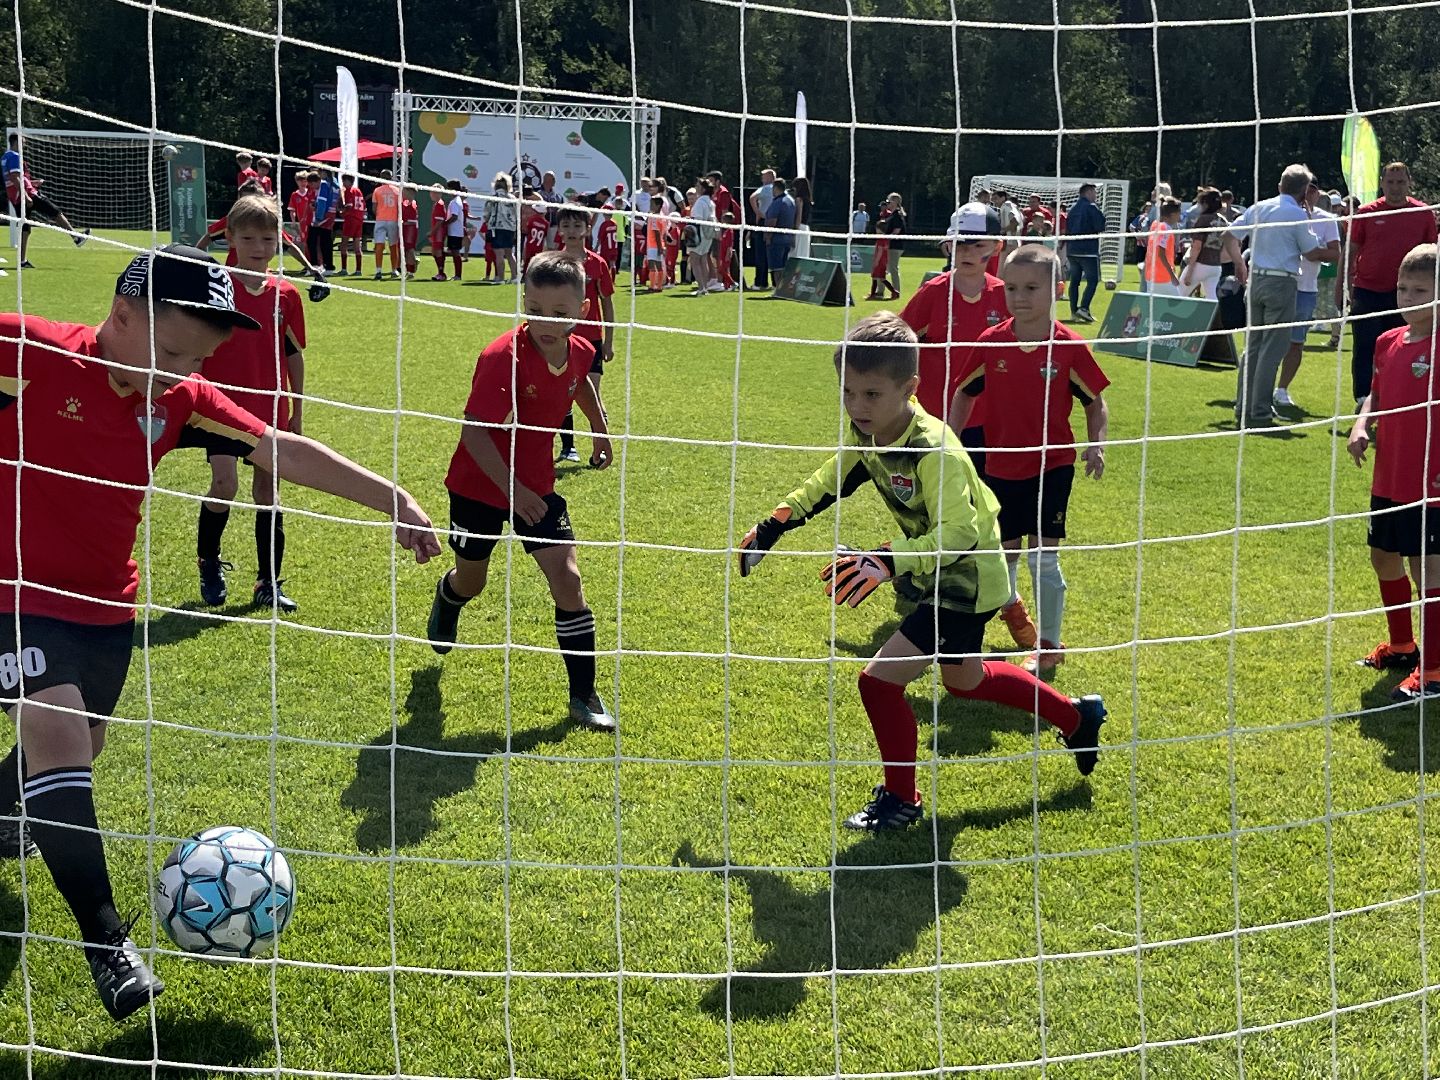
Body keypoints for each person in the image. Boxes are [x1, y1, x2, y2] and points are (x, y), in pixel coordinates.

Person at [0, 243, 440, 1021]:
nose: (178, 372)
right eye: (170, 350)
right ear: (122, 313)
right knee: (61, 732)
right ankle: (108, 948)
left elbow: (280, 448)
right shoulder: (26, 352)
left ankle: (8, 813)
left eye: (195, 358)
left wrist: (393, 496)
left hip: (105, 608)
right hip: (13, 594)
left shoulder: (180, 397)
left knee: (72, 749)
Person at [736, 312, 1107, 831]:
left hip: (965, 578)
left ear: (909, 388)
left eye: (870, 394)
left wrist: (887, 561)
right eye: (847, 392)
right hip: (940, 573)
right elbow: (831, 478)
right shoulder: (869, 433)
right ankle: (1077, 716)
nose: (856, 407)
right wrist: (776, 523)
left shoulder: (934, 450)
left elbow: (957, 535)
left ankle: (901, 800)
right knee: (966, 681)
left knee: (879, 684)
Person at [426, 251, 616, 731]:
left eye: (560, 314)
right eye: (534, 309)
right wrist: (514, 493)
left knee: (568, 581)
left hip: (538, 488)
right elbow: (474, 434)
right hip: (479, 486)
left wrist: (600, 427)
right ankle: (448, 598)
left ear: (582, 311)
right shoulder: (500, 358)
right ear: (523, 301)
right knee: (473, 582)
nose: (546, 322)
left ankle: (584, 696)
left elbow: (579, 385)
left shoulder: (581, 350)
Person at [949, 245, 1110, 676]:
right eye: (1013, 287)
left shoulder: (1070, 348)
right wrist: (951, 442)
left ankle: (1050, 645)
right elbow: (964, 393)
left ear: (1056, 290)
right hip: (999, 466)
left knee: (1044, 558)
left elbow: (1095, 403)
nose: (1020, 297)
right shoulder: (991, 342)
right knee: (1003, 556)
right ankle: (1007, 618)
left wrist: (1097, 444)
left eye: (1032, 288)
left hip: (1052, 464)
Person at [899, 203, 1038, 649]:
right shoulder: (933, 292)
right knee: (930, 509)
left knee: (979, 517)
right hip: (932, 426)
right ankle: (921, 575)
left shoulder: (1007, 294)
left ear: (996, 246)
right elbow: (894, 340)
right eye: (957, 242)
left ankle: (1008, 603)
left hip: (987, 429)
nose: (964, 251)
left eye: (975, 243)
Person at [195, 194, 309, 612]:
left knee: (269, 492)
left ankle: (267, 582)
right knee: (224, 484)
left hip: (270, 408)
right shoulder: (213, 284)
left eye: (267, 238)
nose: (259, 247)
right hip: (219, 407)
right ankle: (208, 561)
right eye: (248, 238)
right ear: (230, 238)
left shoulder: (286, 294)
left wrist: (297, 408)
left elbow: (293, 353)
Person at [1347, 243, 1440, 700]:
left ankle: (1437, 671)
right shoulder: (1388, 341)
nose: (1407, 298)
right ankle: (1403, 647)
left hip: (1431, 481)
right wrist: (1361, 424)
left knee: (1429, 570)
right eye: (1403, 288)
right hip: (1390, 475)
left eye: (1420, 290)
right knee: (1383, 557)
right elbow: (1375, 394)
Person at [1232, 164, 1327, 428]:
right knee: (1272, 349)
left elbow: (1229, 235)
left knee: (1252, 347)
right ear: (1304, 191)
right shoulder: (1296, 214)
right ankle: (1260, 410)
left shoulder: (1259, 207)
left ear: (1280, 186)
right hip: (1282, 282)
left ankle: (1243, 406)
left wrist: (1239, 263)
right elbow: (1311, 252)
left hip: (1256, 279)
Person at [1345, 162, 1439, 404]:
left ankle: (1395, 396)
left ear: (1409, 182)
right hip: (1367, 290)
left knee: (1404, 345)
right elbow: (1350, 252)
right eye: (1390, 182)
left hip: (1408, 294)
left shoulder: (1422, 212)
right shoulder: (1367, 212)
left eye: (1400, 182)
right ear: (1381, 183)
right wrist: (1342, 286)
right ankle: (1362, 399)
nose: (1395, 187)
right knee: (1365, 345)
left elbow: (1433, 252)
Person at [554, 205, 615, 465]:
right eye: (566, 225)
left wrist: (609, 341)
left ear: (587, 229)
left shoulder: (597, 264)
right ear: (559, 229)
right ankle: (568, 448)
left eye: (577, 226)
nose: (571, 231)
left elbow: (608, 303)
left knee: (593, 396)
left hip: (591, 340)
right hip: (562, 338)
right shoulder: (553, 263)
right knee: (561, 394)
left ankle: (598, 448)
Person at [1274, 181, 1341, 413]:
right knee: (1269, 340)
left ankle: (1281, 390)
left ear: (1318, 193)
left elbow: (1336, 253)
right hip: (1279, 285)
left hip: (1306, 288)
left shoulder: (1326, 219)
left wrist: (1313, 252)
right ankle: (1258, 388)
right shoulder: (1280, 213)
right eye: (1304, 189)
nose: (1308, 193)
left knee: (1296, 343)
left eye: (1312, 189)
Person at [3, 132, 89, 268]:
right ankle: (76, 237)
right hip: (27, 195)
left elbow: (16, 178)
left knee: (25, 227)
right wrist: (26, 195)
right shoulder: (14, 156)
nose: (24, 145)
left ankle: (22, 261)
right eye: (22, 142)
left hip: (17, 196)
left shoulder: (5, 157)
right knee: (55, 211)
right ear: (16, 142)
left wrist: (33, 182)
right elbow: (15, 178)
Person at [1180, 188, 1245, 301]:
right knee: (1212, 299)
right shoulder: (1224, 222)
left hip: (1200, 264)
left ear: (1205, 204)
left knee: (1178, 294)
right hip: (1215, 266)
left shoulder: (1203, 220)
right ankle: (1215, 318)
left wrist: (1189, 271)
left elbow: (1197, 247)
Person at [1064, 182, 1107, 322]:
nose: (1095, 195)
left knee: (1074, 281)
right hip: (1088, 250)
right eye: (1094, 192)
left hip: (1072, 250)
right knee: (1093, 280)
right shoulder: (1091, 207)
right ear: (1088, 192)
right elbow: (1100, 225)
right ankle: (1084, 308)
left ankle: (1073, 311)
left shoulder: (1072, 208)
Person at [483, 173, 519, 283]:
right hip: (510, 229)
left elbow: (486, 215)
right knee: (509, 253)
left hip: (497, 228)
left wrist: (487, 221)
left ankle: (500, 278)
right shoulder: (513, 198)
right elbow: (517, 215)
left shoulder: (493, 198)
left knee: (499, 254)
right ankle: (515, 277)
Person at [1143, 197, 1184, 295]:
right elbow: (1160, 253)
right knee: (1178, 306)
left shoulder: (1155, 225)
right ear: (1173, 215)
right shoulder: (1165, 228)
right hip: (1163, 276)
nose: (1180, 216)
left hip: (1151, 274)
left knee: (1156, 307)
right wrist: (1172, 275)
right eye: (1179, 213)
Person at [705, 170, 736, 291]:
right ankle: (714, 279)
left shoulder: (723, 193)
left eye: (711, 181)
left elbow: (724, 212)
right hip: (712, 227)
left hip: (720, 229)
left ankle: (721, 281)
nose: (709, 183)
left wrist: (721, 229)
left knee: (720, 256)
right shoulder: (711, 193)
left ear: (718, 181)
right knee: (712, 254)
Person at [764, 178, 797, 286]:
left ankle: (778, 289)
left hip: (777, 239)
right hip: (788, 238)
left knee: (776, 266)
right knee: (784, 266)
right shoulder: (791, 201)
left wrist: (768, 237)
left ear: (776, 188)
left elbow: (772, 221)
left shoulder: (778, 202)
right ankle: (783, 289)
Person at [747, 168, 777, 289]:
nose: (762, 179)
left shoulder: (765, 188)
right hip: (776, 222)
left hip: (764, 221)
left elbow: (752, 197)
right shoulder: (778, 190)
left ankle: (760, 282)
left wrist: (758, 212)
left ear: (770, 177)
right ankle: (775, 282)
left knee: (761, 253)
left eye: (763, 176)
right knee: (773, 253)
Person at [687, 178, 717, 294]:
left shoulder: (700, 202)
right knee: (703, 259)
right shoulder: (710, 202)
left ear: (703, 188)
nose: (696, 187)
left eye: (698, 186)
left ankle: (701, 287)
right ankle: (704, 287)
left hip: (699, 234)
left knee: (695, 260)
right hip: (708, 234)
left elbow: (698, 219)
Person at [370, 170, 401, 280]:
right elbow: (399, 207)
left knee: (379, 245)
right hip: (393, 220)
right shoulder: (397, 190)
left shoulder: (377, 190)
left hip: (380, 219)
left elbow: (374, 208)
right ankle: (394, 270)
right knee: (393, 246)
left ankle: (378, 270)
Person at [306, 168, 337, 274]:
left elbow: (323, 202)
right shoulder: (330, 184)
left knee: (318, 241)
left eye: (312, 185)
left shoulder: (323, 186)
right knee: (321, 241)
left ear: (316, 182)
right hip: (328, 215)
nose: (312, 188)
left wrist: (318, 218)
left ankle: (325, 267)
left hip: (325, 216)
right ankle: (323, 266)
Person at [335, 173, 367, 277]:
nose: (343, 184)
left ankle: (344, 269)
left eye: (344, 181)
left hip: (351, 219)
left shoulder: (349, 191)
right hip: (359, 219)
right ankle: (358, 270)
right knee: (357, 246)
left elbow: (349, 207)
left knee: (344, 244)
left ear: (349, 181)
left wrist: (341, 212)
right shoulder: (359, 191)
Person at [879, 192, 907, 298]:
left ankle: (896, 292)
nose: (887, 204)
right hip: (890, 245)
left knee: (893, 269)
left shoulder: (897, 215)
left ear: (895, 202)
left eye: (889, 201)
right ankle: (880, 291)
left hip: (895, 246)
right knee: (883, 268)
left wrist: (885, 239)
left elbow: (897, 231)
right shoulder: (892, 215)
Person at [443, 179, 467, 282]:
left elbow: (454, 217)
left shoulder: (455, 202)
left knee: (455, 253)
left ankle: (458, 275)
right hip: (455, 231)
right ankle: (457, 275)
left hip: (455, 232)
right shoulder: (457, 200)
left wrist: (444, 223)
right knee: (454, 252)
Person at [521, 192, 551, 273]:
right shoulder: (546, 223)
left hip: (530, 244)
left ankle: (525, 274)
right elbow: (545, 235)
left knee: (527, 260)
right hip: (539, 245)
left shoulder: (532, 219)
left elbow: (527, 230)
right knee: (536, 262)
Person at [427, 187, 450, 280]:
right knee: (435, 252)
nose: (431, 194)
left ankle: (441, 274)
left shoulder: (440, 204)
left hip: (439, 232)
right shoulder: (437, 204)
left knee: (438, 251)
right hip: (437, 232)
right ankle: (440, 272)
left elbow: (440, 221)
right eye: (431, 192)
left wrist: (432, 232)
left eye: (433, 192)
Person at [792, 176, 813, 258]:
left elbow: (799, 215)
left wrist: (795, 228)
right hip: (806, 228)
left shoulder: (799, 199)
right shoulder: (808, 200)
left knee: (796, 252)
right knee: (803, 253)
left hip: (799, 227)